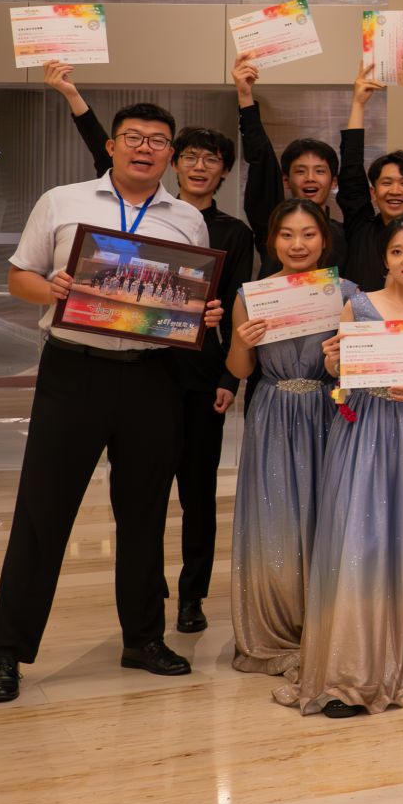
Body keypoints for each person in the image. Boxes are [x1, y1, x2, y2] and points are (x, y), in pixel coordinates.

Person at [0, 103, 225, 704]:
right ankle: (8, 652)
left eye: (158, 141)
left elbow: (188, 299)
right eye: (133, 137)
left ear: (170, 155)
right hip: (73, 370)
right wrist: (53, 288)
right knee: (43, 511)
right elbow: (19, 277)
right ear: (111, 146)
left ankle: (142, 639)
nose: (145, 148)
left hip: (152, 377)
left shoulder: (188, 220)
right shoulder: (62, 201)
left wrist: (203, 314)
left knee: (144, 514)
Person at [46, 64, 256, 636]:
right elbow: (102, 145)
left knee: (198, 492)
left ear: (224, 171)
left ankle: (191, 597)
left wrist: (229, 378)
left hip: (199, 374)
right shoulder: (133, 209)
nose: (199, 165)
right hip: (142, 371)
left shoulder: (226, 230)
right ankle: (148, 592)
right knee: (142, 493)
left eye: (212, 159)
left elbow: (233, 305)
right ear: (173, 162)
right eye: (190, 155)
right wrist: (72, 95)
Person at [279, 214, 403, 716]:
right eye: (398, 251)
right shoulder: (358, 306)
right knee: (359, 541)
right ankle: (350, 669)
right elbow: (340, 373)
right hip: (362, 431)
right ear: (385, 258)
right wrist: (333, 362)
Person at [223, 200, 350, 677]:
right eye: (287, 235)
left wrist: (340, 358)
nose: (298, 245)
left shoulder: (347, 294)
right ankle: (278, 624)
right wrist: (242, 341)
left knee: (327, 515)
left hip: (328, 410)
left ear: (325, 241)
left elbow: (360, 368)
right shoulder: (252, 296)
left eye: (308, 234)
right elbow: (240, 370)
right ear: (272, 241)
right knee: (276, 520)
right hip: (274, 413)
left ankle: (327, 623)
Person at [233, 52, 343, 273]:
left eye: (319, 171)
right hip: (273, 297)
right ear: (285, 180)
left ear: (333, 182)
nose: (310, 178)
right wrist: (245, 96)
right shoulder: (272, 222)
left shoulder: (344, 234)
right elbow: (261, 160)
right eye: (300, 171)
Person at [335, 63, 403, 291]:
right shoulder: (360, 229)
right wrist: (358, 104)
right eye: (387, 183)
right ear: (373, 192)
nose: (395, 191)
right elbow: (351, 172)